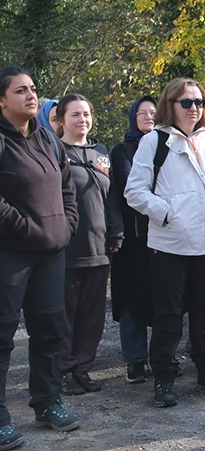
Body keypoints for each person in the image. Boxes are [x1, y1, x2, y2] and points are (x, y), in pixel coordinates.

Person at [125, 77, 205, 408]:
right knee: (169, 315)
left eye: (199, 102)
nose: (193, 108)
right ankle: (164, 378)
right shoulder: (154, 142)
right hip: (170, 243)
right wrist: (167, 214)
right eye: (186, 102)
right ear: (170, 104)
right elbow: (134, 190)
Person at [0, 67, 80, 446]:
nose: (31, 95)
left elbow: (67, 186)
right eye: (20, 91)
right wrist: (30, 231)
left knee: (50, 331)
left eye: (33, 89)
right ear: (2, 101)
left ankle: (48, 403)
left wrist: (66, 227)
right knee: (2, 337)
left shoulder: (48, 140)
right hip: (10, 255)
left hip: (52, 253)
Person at [56, 94, 124, 395]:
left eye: (86, 114)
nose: (82, 120)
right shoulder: (53, 150)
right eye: (75, 115)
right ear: (61, 120)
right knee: (66, 314)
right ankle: (65, 370)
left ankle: (83, 368)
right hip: (68, 247)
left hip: (100, 247)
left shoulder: (100, 151)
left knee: (93, 315)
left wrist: (116, 233)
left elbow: (112, 197)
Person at [110, 95, 158, 384]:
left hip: (165, 235)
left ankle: (163, 355)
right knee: (131, 298)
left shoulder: (168, 145)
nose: (149, 117)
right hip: (133, 238)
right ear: (133, 117)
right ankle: (135, 360)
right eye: (143, 113)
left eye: (154, 112)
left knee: (165, 297)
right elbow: (130, 188)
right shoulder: (122, 150)